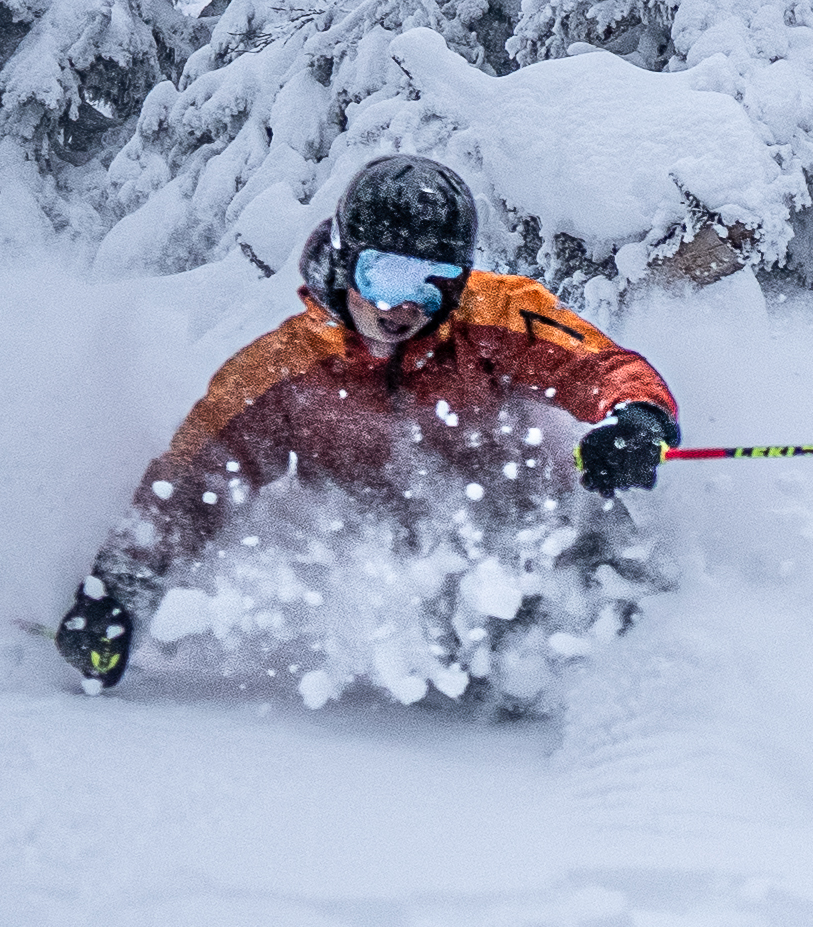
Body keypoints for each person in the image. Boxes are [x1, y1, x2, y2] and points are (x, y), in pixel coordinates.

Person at [52, 155, 679, 690]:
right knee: (438, 617)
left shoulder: (496, 315)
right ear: (346, 260)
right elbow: (194, 480)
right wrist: (117, 590)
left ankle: (656, 674)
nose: (404, 305)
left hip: (520, 526)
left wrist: (635, 418)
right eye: (385, 276)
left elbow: (600, 365)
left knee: (594, 533)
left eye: (432, 283)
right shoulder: (287, 368)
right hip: (399, 574)